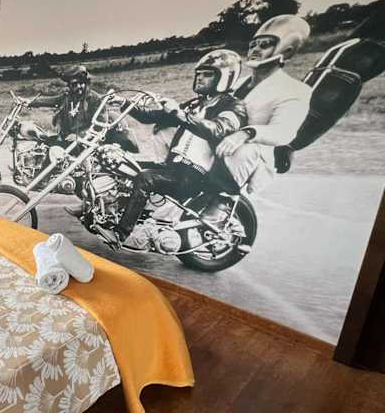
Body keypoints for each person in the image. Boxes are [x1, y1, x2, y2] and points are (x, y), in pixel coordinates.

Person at [113, 49, 248, 247]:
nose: (200, 78)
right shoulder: (194, 105)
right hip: (175, 167)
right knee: (124, 165)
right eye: (198, 73)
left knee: (145, 178)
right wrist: (124, 103)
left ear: (226, 77)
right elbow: (151, 116)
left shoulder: (234, 106)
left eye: (207, 74)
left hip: (195, 176)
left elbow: (218, 130)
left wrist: (179, 113)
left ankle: (121, 234)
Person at [214, 14, 312, 194]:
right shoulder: (235, 83)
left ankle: (221, 201)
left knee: (247, 151)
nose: (255, 49)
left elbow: (283, 132)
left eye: (265, 44)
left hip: (252, 157)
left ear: (286, 51)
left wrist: (246, 133)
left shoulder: (295, 90)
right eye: (253, 45)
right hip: (217, 147)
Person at [27, 65, 138, 152]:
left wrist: (79, 135)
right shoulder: (67, 96)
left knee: (55, 152)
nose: (79, 87)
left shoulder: (94, 98)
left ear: (86, 83)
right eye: (74, 84)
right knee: (43, 145)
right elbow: (50, 100)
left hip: (86, 141)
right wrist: (29, 102)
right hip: (68, 138)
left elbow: (100, 124)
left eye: (81, 83)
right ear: (69, 85)